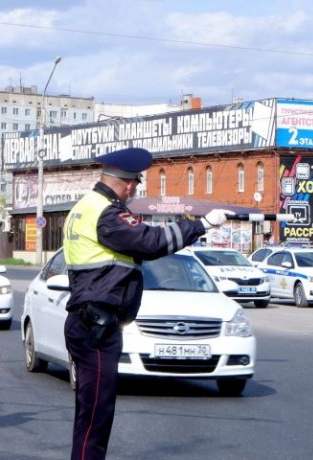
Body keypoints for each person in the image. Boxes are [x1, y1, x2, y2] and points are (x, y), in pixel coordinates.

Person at [62, 147, 233, 460]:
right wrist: (201, 225)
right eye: (136, 185)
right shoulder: (107, 213)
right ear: (128, 184)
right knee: (96, 414)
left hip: (87, 320)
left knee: (90, 412)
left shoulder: (83, 208)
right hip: (97, 324)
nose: (134, 191)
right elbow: (151, 241)